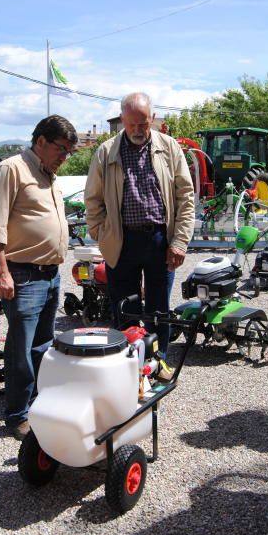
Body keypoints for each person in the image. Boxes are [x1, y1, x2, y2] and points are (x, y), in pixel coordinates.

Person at [0, 115, 78, 440]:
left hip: (50, 276)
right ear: (40, 141)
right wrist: (1, 273)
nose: (64, 156)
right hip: (22, 275)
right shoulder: (12, 169)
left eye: (69, 152)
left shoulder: (48, 175)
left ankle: (40, 406)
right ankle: (17, 416)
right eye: (61, 149)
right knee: (20, 350)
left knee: (42, 347)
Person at [84, 92, 194, 355]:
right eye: (131, 124)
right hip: (121, 242)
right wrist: (103, 236)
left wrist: (179, 241)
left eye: (143, 124)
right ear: (122, 119)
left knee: (159, 311)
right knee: (125, 310)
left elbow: (186, 197)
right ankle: (127, 367)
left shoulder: (169, 148)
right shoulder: (106, 152)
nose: (137, 130)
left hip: (160, 241)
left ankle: (158, 365)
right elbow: (93, 200)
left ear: (153, 119)